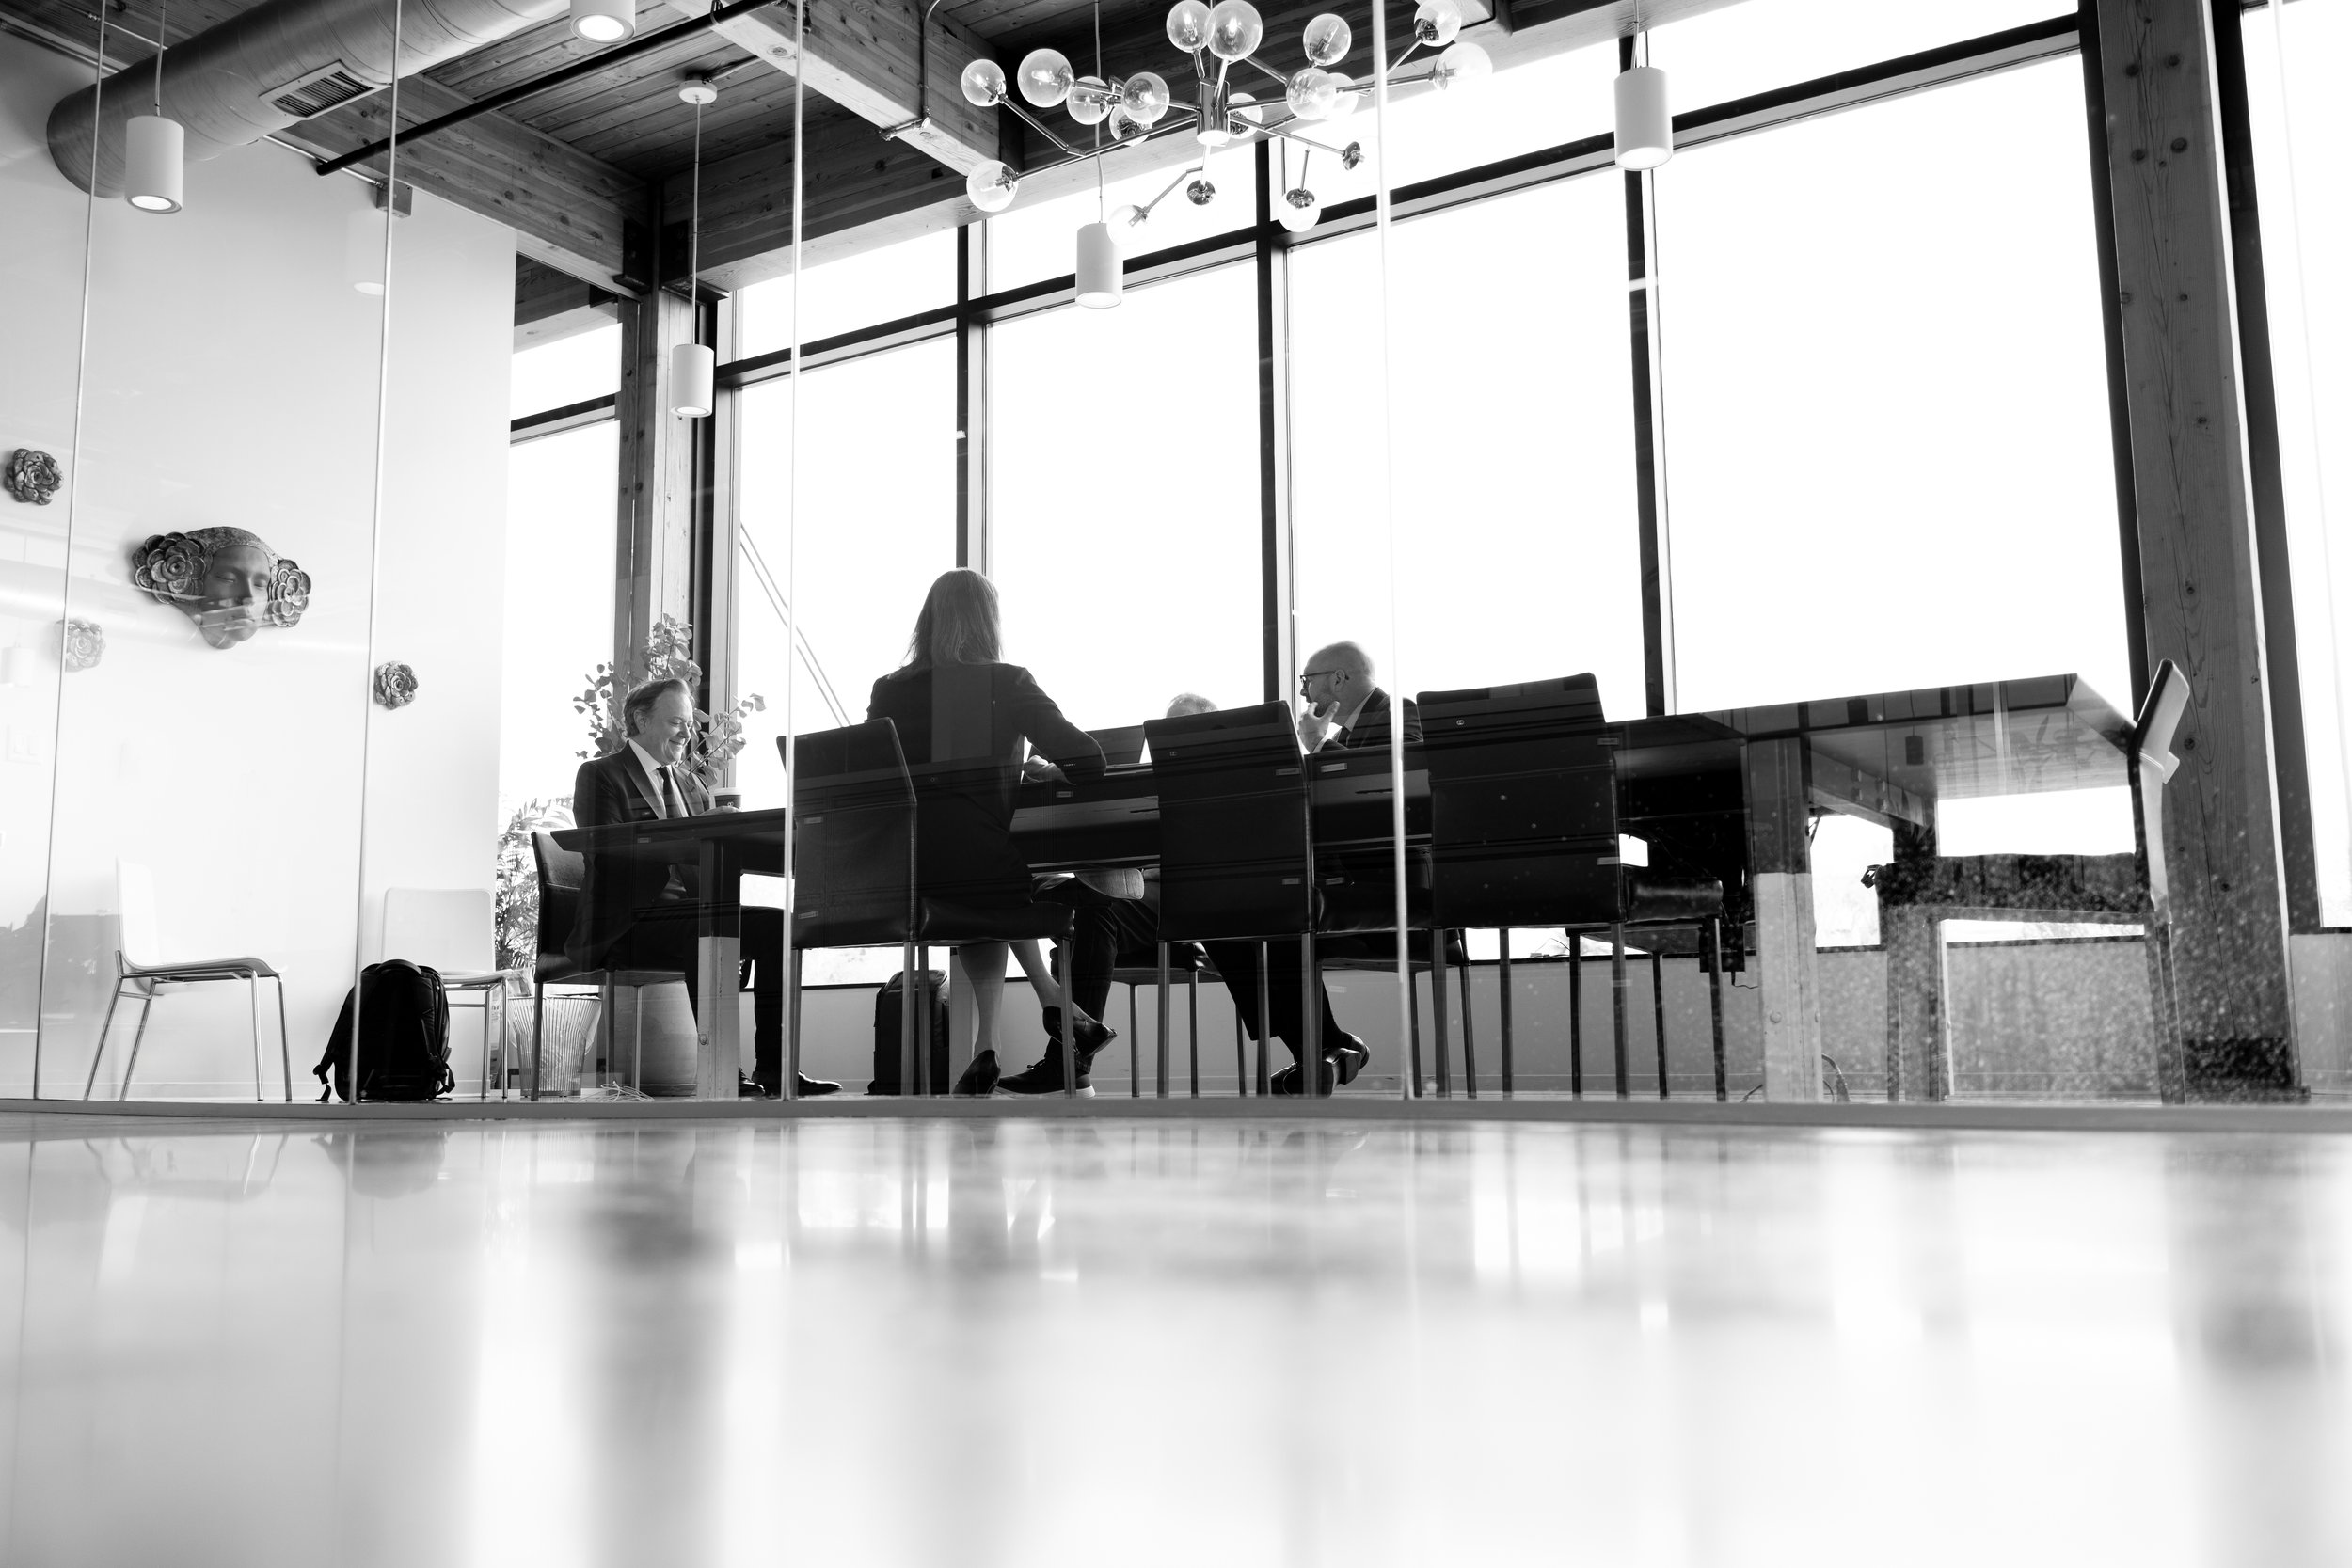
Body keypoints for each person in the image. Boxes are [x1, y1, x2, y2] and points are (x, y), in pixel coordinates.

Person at [866, 569, 1114, 1097]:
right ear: (988, 622)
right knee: (1000, 880)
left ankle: (989, 1047)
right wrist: (1048, 768)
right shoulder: (1008, 683)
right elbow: (1089, 761)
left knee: (990, 890)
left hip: (909, 872)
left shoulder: (888, 690)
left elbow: (876, 781)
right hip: (982, 868)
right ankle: (1060, 1008)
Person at [568, 676, 840, 1098]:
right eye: (677, 722)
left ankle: (775, 1068)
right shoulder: (601, 775)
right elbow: (606, 851)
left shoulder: (693, 786)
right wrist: (692, 831)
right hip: (629, 922)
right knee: (707, 927)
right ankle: (721, 1071)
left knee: (778, 928)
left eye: (689, 725)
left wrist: (721, 828)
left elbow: (708, 854)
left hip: (693, 913)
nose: (688, 732)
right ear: (641, 719)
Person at [1205, 641, 1423, 1095]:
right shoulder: (1341, 740)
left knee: (1282, 916)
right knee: (1223, 919)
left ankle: (1326, 1051)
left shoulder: (1398, 713)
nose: (1305, 695)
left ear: (1339, 679)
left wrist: (1316, 746)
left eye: (1308, 681)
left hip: (1395, 887)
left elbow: (1393, 795)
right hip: (1346, 885)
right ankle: (1323, 1050)